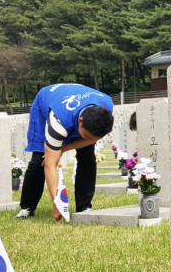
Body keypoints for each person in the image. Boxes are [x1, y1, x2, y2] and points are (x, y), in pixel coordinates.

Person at [16, 83, 114, 221]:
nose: (90, 140)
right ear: (80, 121)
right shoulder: (58, 121)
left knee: (87, 156)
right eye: (87, 137)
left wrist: (63, 148)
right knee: (40, 158)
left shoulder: (106, 107)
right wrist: (57, 203)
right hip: (47, 102)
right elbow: (51, 165)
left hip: (77, 99)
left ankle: (84, 206)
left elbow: (91, 140)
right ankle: (27, 207)